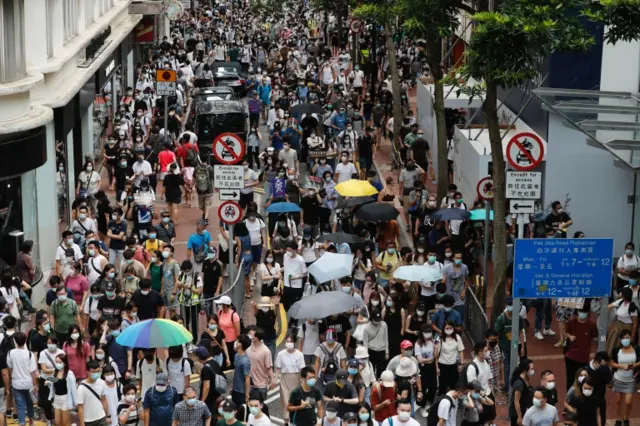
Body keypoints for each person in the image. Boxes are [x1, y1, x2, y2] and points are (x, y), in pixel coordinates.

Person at [564, 306, 598, 391]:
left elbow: (595, 334)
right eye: (580, 311)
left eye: (584, 312)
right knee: (570, 378)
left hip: (583, 357)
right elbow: (566, 331)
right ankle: (570, 395)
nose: (582, 314)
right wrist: (570, 336)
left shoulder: (592, 324)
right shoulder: (572, 322)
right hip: (570, 355)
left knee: (582, 379)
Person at [7, 331, 38, 426]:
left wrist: (10, 381)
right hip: (29, 384)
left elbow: (10, 368)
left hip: (16, 383)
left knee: (20, 405)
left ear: (14, 341)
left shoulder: (10, 353)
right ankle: (31, 422)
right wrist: (35, 384)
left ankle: (22, 423)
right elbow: (33, 372)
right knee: (29, 404)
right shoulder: (29, 354)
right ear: (25, 340)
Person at [276, 331, 305, 426]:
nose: (289, 343)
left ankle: (294, 420)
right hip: (285, 378)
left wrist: (303, 382)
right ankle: (286, 421)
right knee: (286, 400)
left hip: (296, 378)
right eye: (287, 341)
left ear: (294, 342)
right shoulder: (281, 354)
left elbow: (302, 369)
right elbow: (278, 368)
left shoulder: (299, 354)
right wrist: (274, 380)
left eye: (291, 341)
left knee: (295, 401)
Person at [465, 341, 496, 425]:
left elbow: (488, 380)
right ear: (480, 353)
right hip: (480, 399)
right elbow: (472, 389)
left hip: (488, 394)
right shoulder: (472, 367)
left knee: (491, 419)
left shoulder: (486, 362)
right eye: (486, 351)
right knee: (480, 422)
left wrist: (491, 392)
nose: (488, 352)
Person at [247, 328, 276, 400]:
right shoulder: (248, 347)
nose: (249, 336)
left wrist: (272, 381)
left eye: (251, 334)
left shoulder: (265, 351)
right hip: (249, 384)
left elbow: (269, 367)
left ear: (256, 338)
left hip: (261, 385)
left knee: (260, 406)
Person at [77, 360, 109, 426]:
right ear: (88, 372)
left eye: (97, 371)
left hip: (101, 418)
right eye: (93, 372)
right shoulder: (81, 388)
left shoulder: (102, 383)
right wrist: (82, 423)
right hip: (88, 421)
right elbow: (80, 407)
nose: (96, 373)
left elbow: (104, 400)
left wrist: (108, 416)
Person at [586, 351, 612, 426]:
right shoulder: (587, 369)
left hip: (600, 395)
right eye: (605, 362)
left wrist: (610, 383)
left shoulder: (605, 368)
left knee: (602, 413)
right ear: (598, 362)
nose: (606, 364)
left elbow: (609, 381)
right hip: (589, 396)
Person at [231, 335, 252, 409]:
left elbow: (247, 378)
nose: (235, 342)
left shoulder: (245, 361)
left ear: (240, 344)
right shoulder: (236, 355)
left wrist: (247, 395)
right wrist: (232, 387)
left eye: (237, 341)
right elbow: (236, 372)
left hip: (241, 392)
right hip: (235, 390)